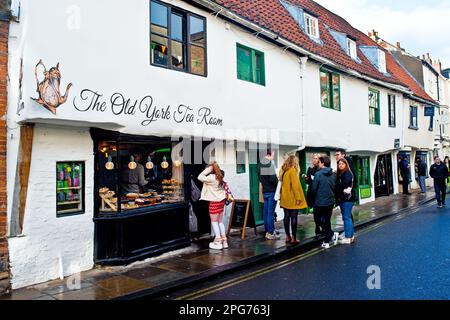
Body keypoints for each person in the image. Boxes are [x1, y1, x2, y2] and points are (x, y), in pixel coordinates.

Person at [198, 162, 228, 250]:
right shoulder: (220, 176)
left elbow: (199, 177)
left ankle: (218, 240)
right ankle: (224, 240)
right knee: (220, 222)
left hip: (214, 202)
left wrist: (208, 170)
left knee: (214, 222)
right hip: (221, 201)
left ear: (212, 169)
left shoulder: (211, 178)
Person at [279, 155, 307, 244]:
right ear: (295, 162)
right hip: (292, 198)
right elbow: (295, 186)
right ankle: (294, 238)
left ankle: (287, 236)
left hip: (284, 197)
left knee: (286, 217)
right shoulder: (292, 171)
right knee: (294, 217)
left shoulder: (283, 171)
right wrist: (298, 198)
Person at [312, 156, 338, 249]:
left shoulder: (318, 174)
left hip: (319, 202)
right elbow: (335, 187)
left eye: (319, 162)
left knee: (317, 219)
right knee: (327, 220)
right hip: (330, 201)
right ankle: (330, 235)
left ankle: (328, 239)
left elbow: (314, 189)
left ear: (322, 163)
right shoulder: (333, 174)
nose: (318, 164)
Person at [258, 149, 280, 240]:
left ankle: (268, 231)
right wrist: (278, 178)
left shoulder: (260, 164)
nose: (273, 157)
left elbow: (259, 177)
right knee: (270, 213)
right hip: (272, 191)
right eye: (273, 154)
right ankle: (270, 233)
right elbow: (272, 179)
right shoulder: (270, 164)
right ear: (270, 154)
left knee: (266, 212)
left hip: (265, 191)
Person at [336, 158, 356, 245]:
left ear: (346, 164)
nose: (340, 165)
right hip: (344, 198)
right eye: (339, 164)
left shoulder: (347, 173)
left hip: (347, 199)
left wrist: (337, 184)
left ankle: (348, 238)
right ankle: (351, 236)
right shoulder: (341, 174)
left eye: (342, 164)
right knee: (347, 217)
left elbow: (344, 184)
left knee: (346, 217)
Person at [303, 154, 321, 235]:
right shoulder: (310, 169)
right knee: (315, 211)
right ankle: (317, 226)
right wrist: (306, 178)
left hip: (320, 193)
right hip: (312, 193)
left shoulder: (321, 170)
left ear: (319, 160)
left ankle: (322, 225)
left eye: (316, 158)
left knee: (321, 210)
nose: (314, 160)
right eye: (313, 158)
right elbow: (307, 182)